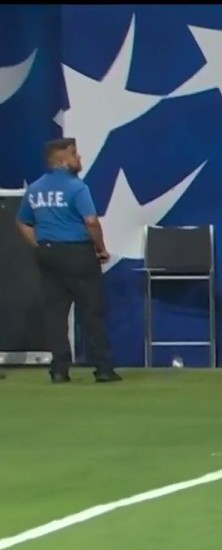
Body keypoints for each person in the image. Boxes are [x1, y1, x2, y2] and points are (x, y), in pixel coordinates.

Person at [13, 138, 120, 384]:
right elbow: (91, 221)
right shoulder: (77, 188)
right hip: (78, 253)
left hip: (49, 254)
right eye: (74, 154)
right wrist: (101, 248)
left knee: (56, 314)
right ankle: (103, 369)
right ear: (61, 160)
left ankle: (59, 370)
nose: (79, 158)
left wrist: (40, 244)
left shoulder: (36, 189)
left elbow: (22, 221)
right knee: (92, 311)